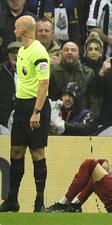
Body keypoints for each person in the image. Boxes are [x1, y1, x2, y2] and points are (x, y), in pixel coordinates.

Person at [0, 15, 51, 212]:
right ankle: (12, 200)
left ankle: (39, 202)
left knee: (37, 152)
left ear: (22, 30)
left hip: (35, 106)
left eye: (15, 28)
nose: (13, 31)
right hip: (21, 107)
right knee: (16, 151)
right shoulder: (22, 50)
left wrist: (36, 111)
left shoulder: (39, 51)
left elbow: (43, 82)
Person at [45, 159, 112, 212]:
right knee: (97, 167)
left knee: (92, 164)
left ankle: (67, 203)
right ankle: (76, 204)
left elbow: (100, 163)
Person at [0, 41, 21, 128]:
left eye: (18, 53)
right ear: (8, 54)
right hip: (3, 115)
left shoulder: (30, 69)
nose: (15, 56)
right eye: (12, 53)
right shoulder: (2, 70)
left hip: (22, 113)